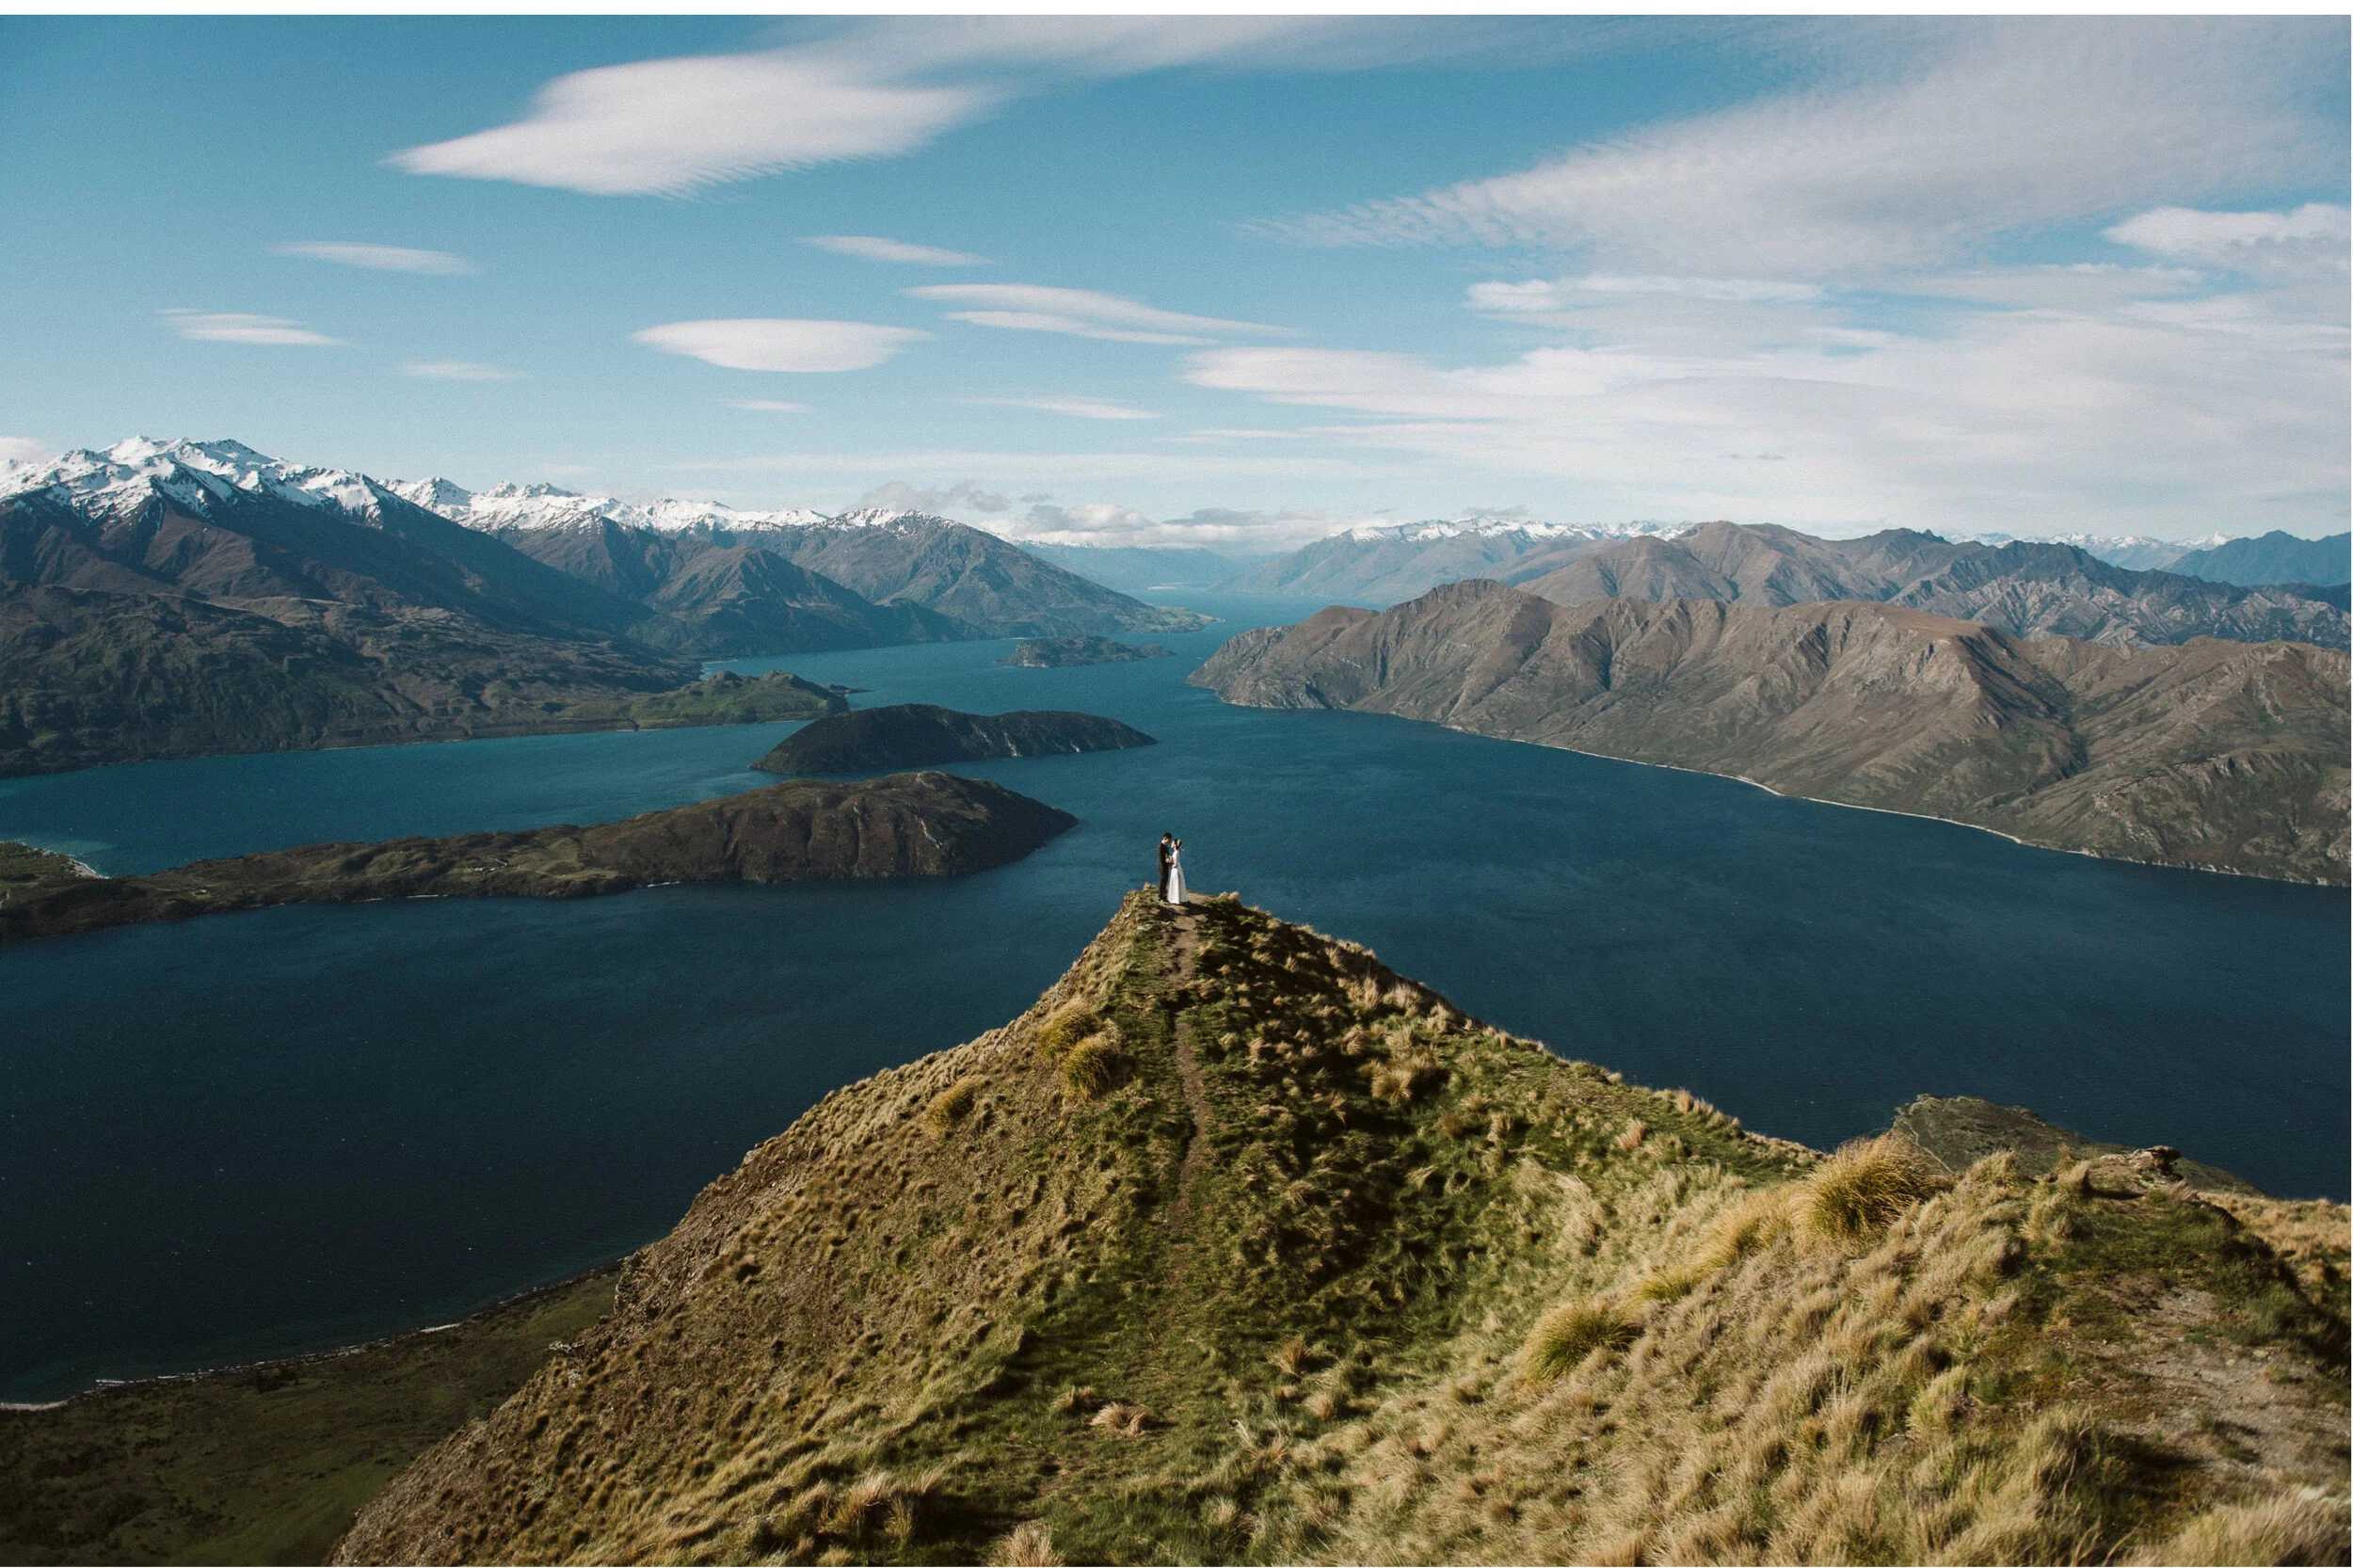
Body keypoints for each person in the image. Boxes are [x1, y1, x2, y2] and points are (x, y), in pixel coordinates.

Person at [1161, 834, 1187, 906]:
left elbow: (1175, 864)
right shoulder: (1176, 852)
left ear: (1175, 845)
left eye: (1172, 843)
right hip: (1177, 869)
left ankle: (1175, 899)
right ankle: (1177, 898)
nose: (1171, 844)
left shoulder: (1175, 853)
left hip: (1175, 870)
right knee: (1177, 883)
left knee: (1175, 883)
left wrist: (1171, 864)